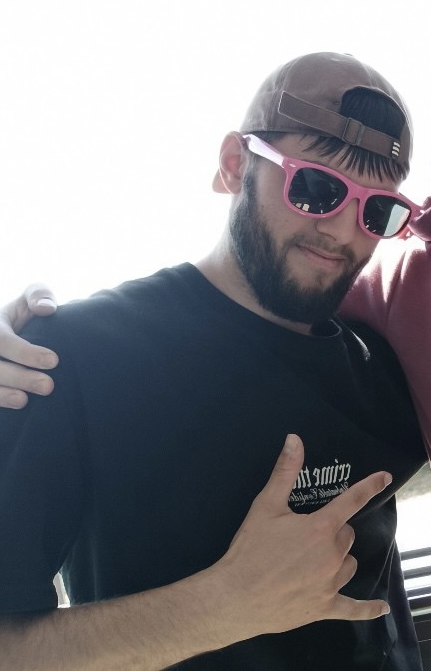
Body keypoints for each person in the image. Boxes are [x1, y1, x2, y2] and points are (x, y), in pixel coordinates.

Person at [0, 51, 427, 670]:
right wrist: (220, 608)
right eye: (316, 189)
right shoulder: (72, 357)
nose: (343, 231)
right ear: (234, 165)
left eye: (378, 210)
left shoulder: (383, 369)